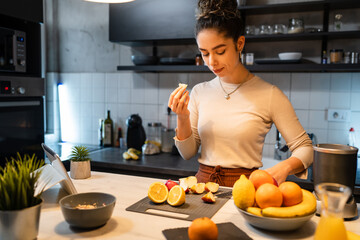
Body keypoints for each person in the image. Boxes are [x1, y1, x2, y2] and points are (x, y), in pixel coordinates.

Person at [168, 0, 313, 187]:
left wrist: (285, 167)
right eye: (204, 53)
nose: (211, 62)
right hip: (202, 189)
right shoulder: (199, 92)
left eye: (220, 51)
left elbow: (305, 148)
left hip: (246, 189)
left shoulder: (270, 94)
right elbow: (187, 153)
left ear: (240, 43)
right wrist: (182, 117)